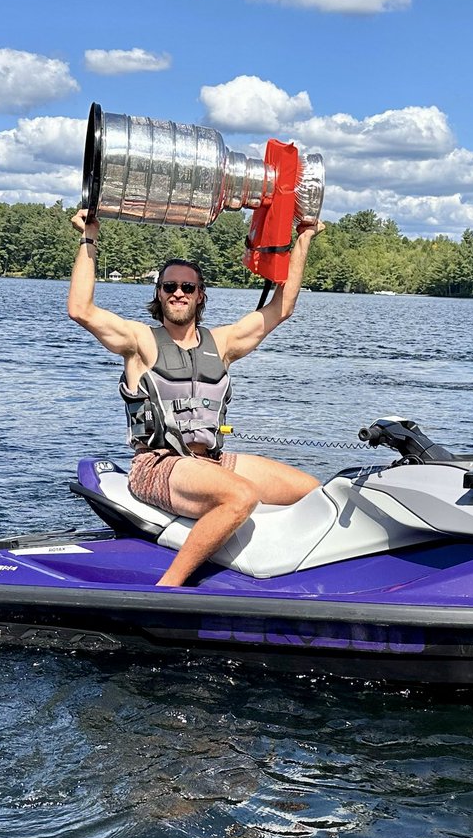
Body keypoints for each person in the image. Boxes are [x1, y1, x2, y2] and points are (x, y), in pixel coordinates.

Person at [67, 208, 323, 587]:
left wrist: (302, 238)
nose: (178, 293)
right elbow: (81, 309)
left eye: (188, 287)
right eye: (170, 287)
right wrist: (89, 237)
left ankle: (284, 576)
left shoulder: (222, 343)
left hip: (212, 461)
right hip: (158, 466)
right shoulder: (138, 342)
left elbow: (282, 307)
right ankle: (169, 588)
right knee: (241, 496)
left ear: (200, 295)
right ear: (159, 294)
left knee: (316, 494)